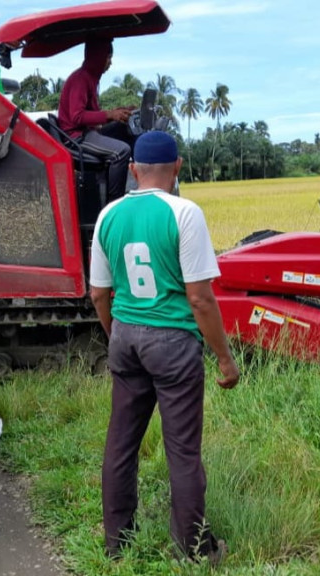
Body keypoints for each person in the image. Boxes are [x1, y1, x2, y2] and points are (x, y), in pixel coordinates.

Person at [88, 131, 239, 563]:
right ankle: (192, 551)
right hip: (173, 343)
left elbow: (99, 293)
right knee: (183, 451)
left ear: (133, 170)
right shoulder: (185, 212)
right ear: (178, 167)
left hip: (125, 336)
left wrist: (116, 333)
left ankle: (118, 544)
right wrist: (225, 358)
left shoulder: (108, 216)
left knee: (121, 444)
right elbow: (199, 297)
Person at [57, 37, 135, 199]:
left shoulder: (91, 79)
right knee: (121, 151)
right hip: (76, 138)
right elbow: (77, 117)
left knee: (126, 129)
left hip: (88, 133)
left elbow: (94, 115)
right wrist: (110, 114)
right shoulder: (81, 79)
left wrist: (118, 113)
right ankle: (114, 203)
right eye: (108, 57)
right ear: (97, 56)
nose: (110, 63)